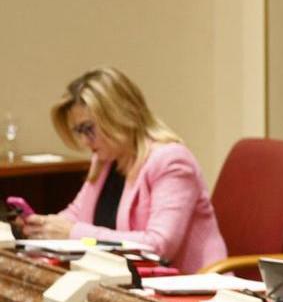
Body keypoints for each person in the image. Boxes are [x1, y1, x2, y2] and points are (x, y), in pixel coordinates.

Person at [23, 67, 226, 274]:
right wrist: (43, 226)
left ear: (118, 116)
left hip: (190, 286)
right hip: (130, 280)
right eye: (78, 131)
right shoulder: (105, 159)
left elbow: (159, 246)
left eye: (88, 129)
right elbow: (77, 213)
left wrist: (73, 233)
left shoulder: (172, 161)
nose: (84, 141)